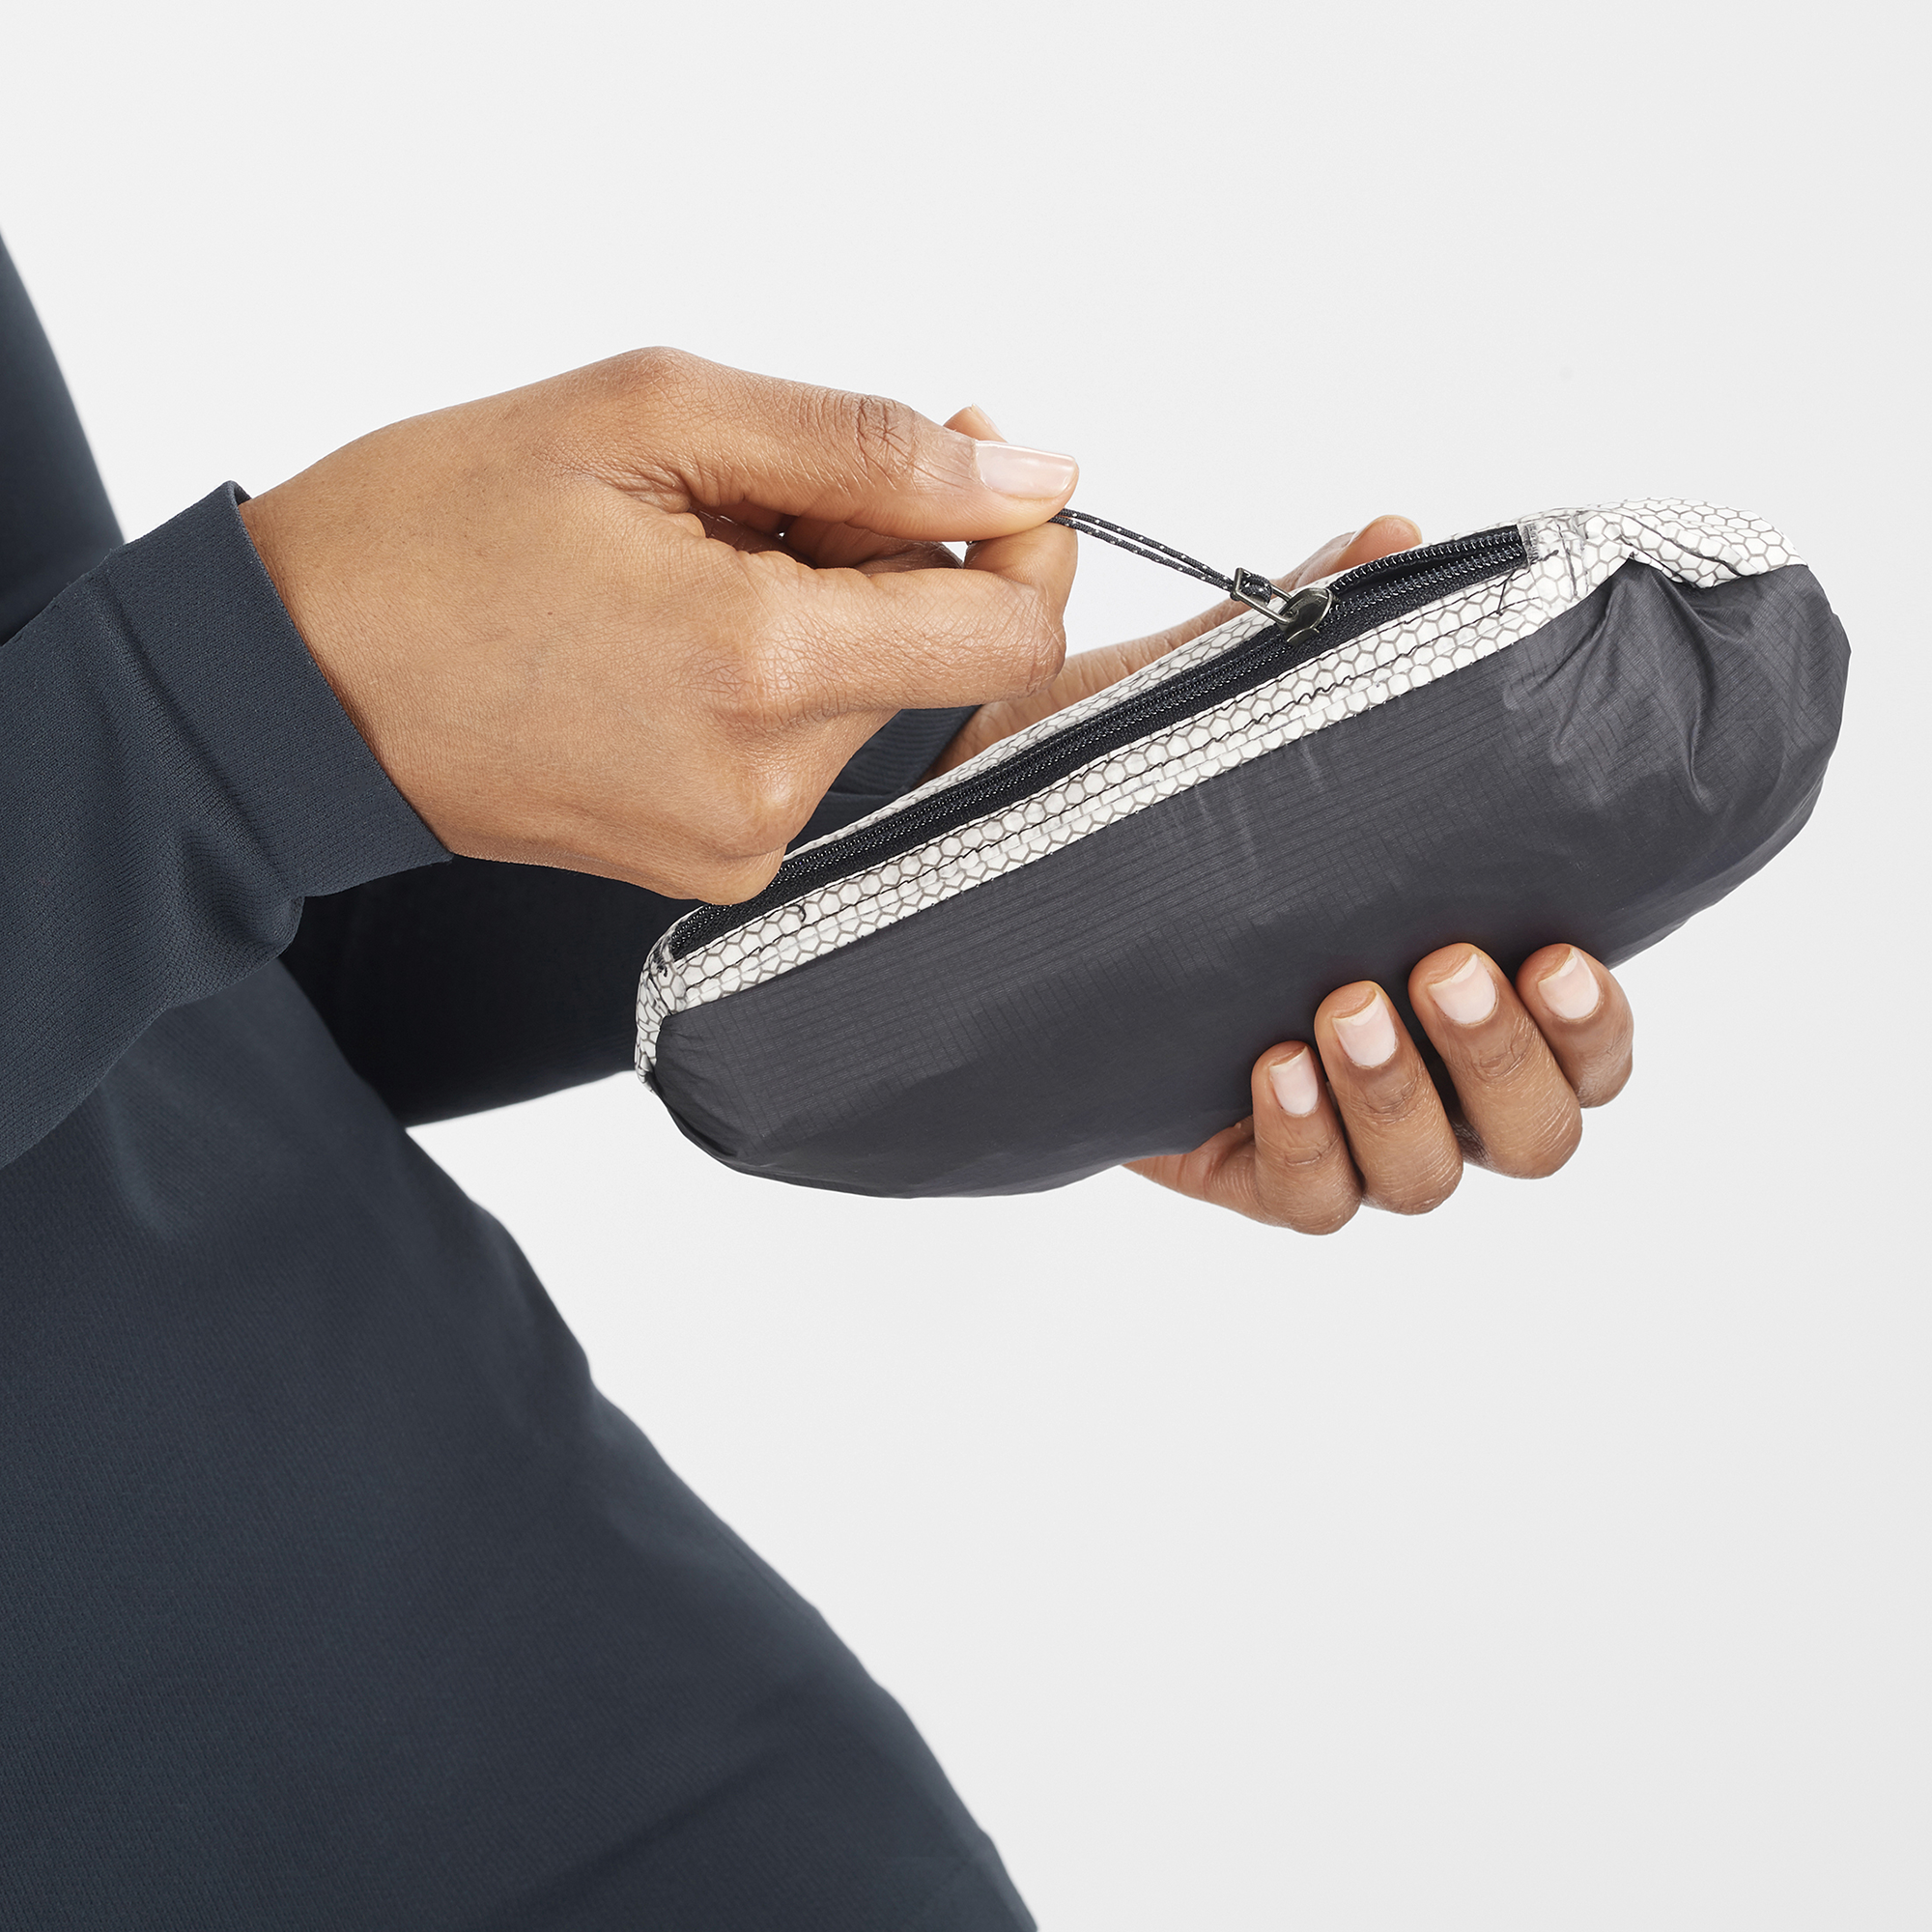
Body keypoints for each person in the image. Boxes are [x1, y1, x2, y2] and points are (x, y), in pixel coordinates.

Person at [0, 234, 1634, 1928]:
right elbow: (163, 770)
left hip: (614, 1748)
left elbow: (188, 953)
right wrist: (231, 697)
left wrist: (954, 856)